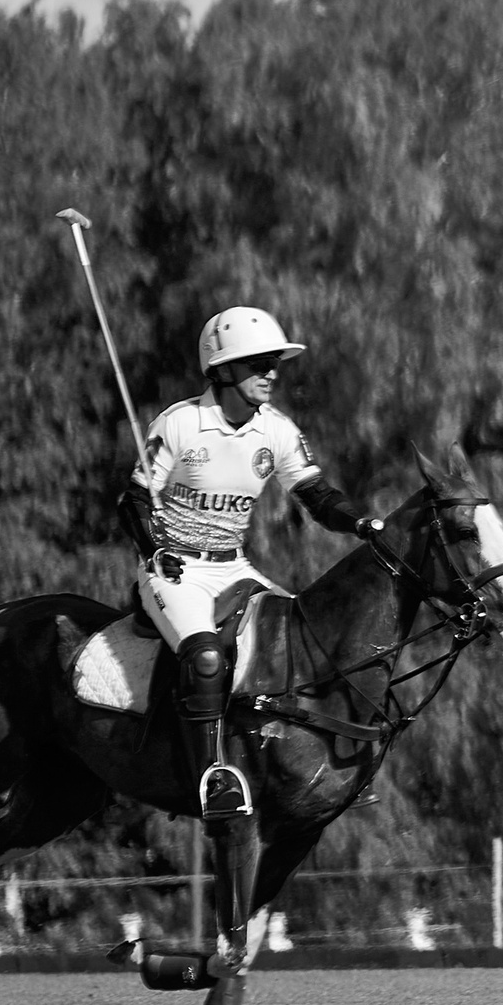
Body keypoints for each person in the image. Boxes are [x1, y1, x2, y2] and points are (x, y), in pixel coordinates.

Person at [117, 306, 392, 824]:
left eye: (274, 364)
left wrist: (361, 523)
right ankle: (211, 780)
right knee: (205, 659)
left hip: (233, 567)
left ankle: (330, 766)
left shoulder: (277, 431)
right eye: (258, 364)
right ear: (222, 370)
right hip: (175, 569)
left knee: (307, 639)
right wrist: (155, 548)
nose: (271, 373)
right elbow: (132, 500)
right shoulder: (179, 424)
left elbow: (316, 496)